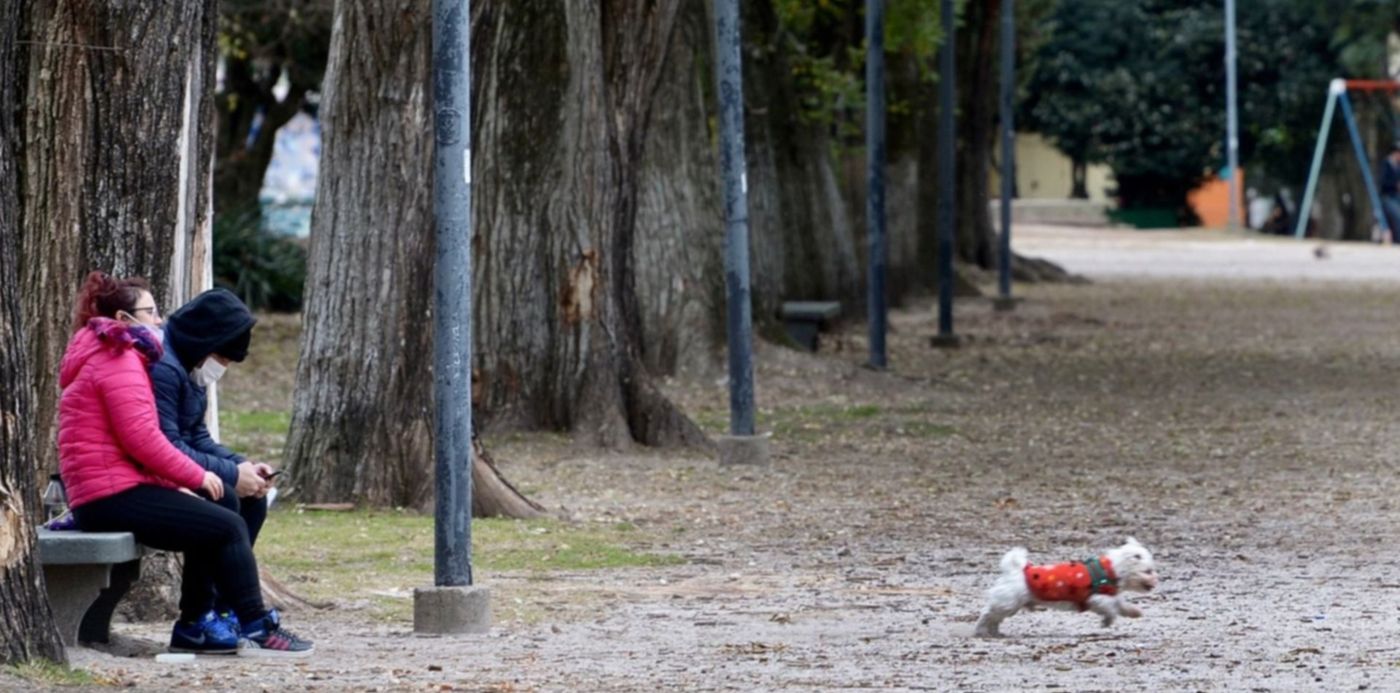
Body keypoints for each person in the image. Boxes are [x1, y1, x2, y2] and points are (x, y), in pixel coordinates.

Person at [58, 271, 312, 656]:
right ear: (124, 319)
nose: (160, 320)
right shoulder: (123, 360)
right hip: (108, 493)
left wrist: (238, 466)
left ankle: (202, 623)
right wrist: (205, 475)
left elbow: (189, 436)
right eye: (151, 311)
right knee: (225, 523)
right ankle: (254, 625)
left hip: (116, 485)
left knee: (228, 505)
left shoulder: (129, 356)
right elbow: (147, 439)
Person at [146, 288, 272, 639]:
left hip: (179, 466)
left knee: (251, 497)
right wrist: (231, 474)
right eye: (224, 359)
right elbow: (167, 444)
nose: (222, 369)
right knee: (222, 500)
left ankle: (221, 606)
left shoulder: (191, 366)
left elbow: (197, 435)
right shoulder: (166, 370)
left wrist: (242, 465)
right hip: (150, 477)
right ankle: (196, 617)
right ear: (206, 345)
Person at [1378, 143, 1400, 242]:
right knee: (1397, 216)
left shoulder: (1398, 166)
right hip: (1387, 197)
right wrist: (1395, 185)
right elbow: (1383, 182)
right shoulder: (1386, 165)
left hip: (1396, 197)